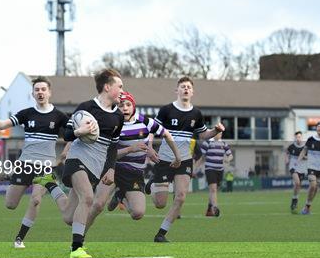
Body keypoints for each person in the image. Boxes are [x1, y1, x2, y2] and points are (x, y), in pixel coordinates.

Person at [0, 76, 69, 248]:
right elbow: (2, 125)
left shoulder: (60, 116)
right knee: (10, 204)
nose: (40, 92)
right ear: (33, 93)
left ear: (49, 92)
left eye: (43, 89)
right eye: (37, 90)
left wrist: (63, 154)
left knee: (36, 200)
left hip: (45, 166)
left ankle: (19, 239)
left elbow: (74, 134)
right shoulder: (26, 114)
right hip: (25, 164)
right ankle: (11, 176)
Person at [147, 76, 225, 242]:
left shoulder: (196, 113)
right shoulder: (166, 110)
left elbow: (203, 134)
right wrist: (149, 146)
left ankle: (161, 233)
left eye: (189, 87)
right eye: (183, 86)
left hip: (185, 160)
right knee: (160, 203)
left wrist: (216, 130)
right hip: (165, 159)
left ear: (193, 92)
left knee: (181, 197)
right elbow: (152, 129)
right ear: (177, 90)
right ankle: (152, 183)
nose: (186, 89)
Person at [87, 91, 181, 226]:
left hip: (134, 173)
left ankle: (120, 195)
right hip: (112, 169)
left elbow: (166, 134)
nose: (124, 108)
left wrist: (177, 157)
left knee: (138, 213)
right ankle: (79, 237)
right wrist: (130, 149)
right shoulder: (111, 124)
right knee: (98, 205)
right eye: (120, 105)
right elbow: (106, 155)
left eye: (128, 104)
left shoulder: (145, 121)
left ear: (133, 106)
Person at [60, 68, 124, 258]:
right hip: (77, 159)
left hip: (96, 167)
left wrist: (111, 169)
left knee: (70, 217)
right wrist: (80, 131)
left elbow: (113, 146)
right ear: (107, 87)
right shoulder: (86, 107)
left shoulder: (118, 117)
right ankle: (76, 249)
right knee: (88, 197)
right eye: (119, 86)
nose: (122, 90)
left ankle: (51, 188)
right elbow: (66, 134)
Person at [195, 132, 233, 217]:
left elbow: (230, 155)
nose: (219, 134)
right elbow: (201, 157)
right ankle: (215, 208)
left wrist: (228, 159)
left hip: (220, 170)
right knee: (213, 189)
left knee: (214, 190)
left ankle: (209, 208)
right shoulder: (207, 143)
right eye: (218, 133)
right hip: (210, 169)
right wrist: (195, 168)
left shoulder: (224, 144)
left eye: (220, 133)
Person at [286, 131, 307, 213]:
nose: (298, 138)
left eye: (299, 137)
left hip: (302, 168)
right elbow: (287, 153)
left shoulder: (305, 147)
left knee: (298, 186)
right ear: (295, 138)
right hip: (293, 167)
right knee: (297, 183)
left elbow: (309, 157)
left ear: (302, 137)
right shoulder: (291, 146)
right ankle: (294, 200)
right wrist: (287, 159)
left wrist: (304, 157)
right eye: (297, 137)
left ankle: (294, 200)